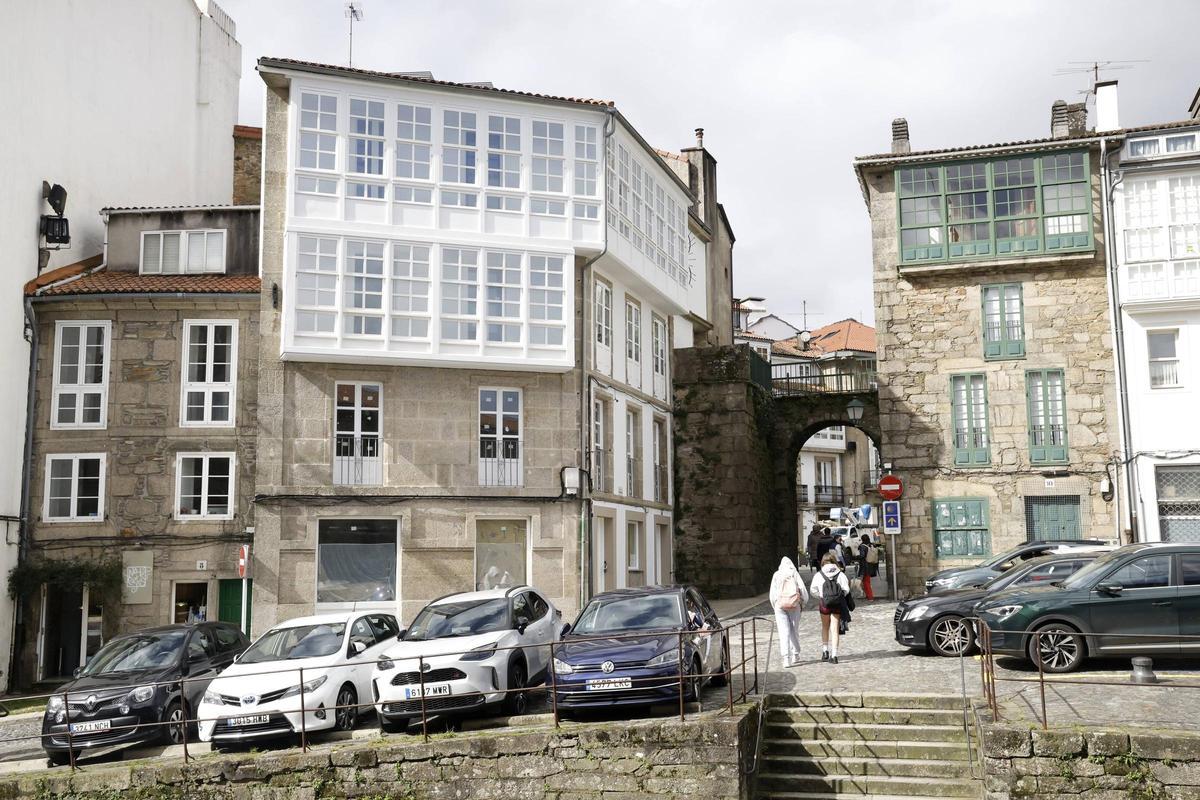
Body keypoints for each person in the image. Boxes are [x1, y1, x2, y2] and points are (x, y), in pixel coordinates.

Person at [809, 553, 851, 664]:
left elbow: (813, 590)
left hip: (824, 604)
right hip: (837, 604)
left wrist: (821, 596)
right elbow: (846, 590)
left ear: (823, 562)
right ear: (834, 561)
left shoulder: (819, 574)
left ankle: (825, 651)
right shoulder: (840, 574)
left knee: (825, 627)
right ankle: (834, 655)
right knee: (834, 629)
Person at [769, 556, 809, 667]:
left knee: (783, 632)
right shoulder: (794, 573)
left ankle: (786, 658)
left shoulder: (776, 574)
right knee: (794, 630)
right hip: (794, 604)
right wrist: (803, 603)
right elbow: (803, 590)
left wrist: (775, 606)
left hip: (780, 605)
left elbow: (772, 594)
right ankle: (795, 654)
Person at [857, 533, 879, 601]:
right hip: (870, 565)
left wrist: (856, 557)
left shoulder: (862, 546)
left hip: (864, 566)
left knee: (866, 582)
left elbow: (862, 556)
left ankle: (870, 597)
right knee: (866, 582)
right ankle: (868, 595)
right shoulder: (871, 545)